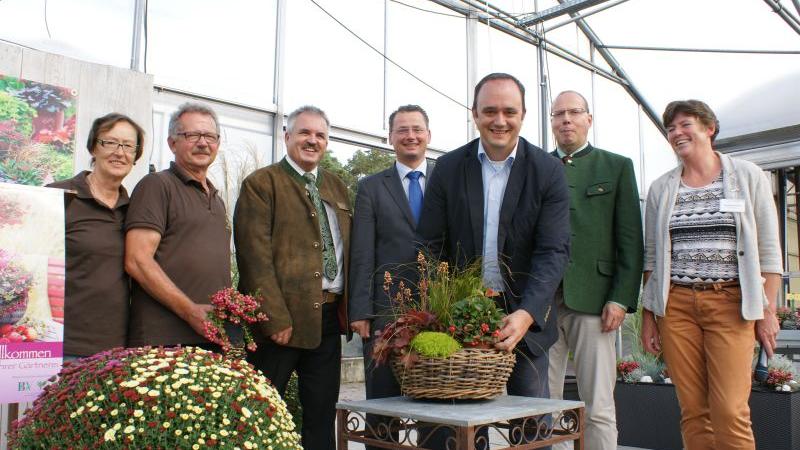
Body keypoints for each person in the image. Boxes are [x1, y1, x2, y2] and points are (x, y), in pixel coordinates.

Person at [417, 72, 571, 412]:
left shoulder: (548, 171)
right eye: (489, 111)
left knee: (530, 426)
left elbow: (553, 250)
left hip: (524, 321)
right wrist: (445, 306)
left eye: (509, 111)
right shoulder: (447, 168)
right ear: (474, 114)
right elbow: (430, 244)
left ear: (523, 115)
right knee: (456, 425)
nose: (499, 121)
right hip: (460, 317)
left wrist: (527, 313)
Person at [640, 100, 782, 449]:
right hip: (677, 307)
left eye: (685, 124)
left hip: (731, 303)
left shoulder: (747, 176)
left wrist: (768, 311)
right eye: (671, 128)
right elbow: (652, 259)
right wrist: (649, 317)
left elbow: (769, 252)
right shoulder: (661, 188)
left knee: (730, 410)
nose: (677, 133)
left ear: (709, 129)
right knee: (693, 409)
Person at [234, 105, 351, 450]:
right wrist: (273, 316)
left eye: (320, 135)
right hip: (280, 323)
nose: (312, 141)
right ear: (287, 137)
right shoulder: (261, 184)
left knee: (320, 414)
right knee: (263, 414)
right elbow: (253, 256)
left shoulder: (336, 186)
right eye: (304, 133)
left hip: (328, 320)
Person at [545, 91, 643, 450]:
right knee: (543, 405)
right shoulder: (536, 166)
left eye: (574, 113)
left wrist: (620, 297)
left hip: (596, 300)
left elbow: (630, 240)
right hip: (543, 303)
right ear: (551, 122)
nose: (566, 120)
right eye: (558, 114)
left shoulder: (616, 166)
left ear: (589, 119)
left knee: (598, 405)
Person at [348, 104, 432, 448]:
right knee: (383, 409)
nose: (410, 136)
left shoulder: (447, 181)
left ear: (429, 135)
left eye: (417, 129)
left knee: (437, 405)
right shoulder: (371, 187)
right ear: (391, 137)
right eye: (402, 130)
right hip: (385, 313)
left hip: (436, 310)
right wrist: (360, 311)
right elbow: (362, 252)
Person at [124, 103, 230, 348]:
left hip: (209, 336)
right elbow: (137, 261)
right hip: (165, 340)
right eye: (191, 135)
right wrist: (189, 311)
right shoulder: (157, 186)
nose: (202, 143)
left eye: (210, 136)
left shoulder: (217, 198)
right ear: (172, 143)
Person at [47, 113, 144, 358]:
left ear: (135, 156)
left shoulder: (135, 210)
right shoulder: (59, 196)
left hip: (116, 350)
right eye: (109, 142)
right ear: (93, 147)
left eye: (128, 146)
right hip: (63, 345)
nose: (119, 152)